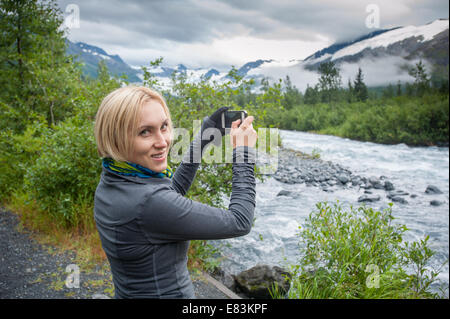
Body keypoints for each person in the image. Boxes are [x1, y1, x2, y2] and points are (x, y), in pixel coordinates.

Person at [93, 86, 257, 298]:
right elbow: (240, 221)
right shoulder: (148, 203)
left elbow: (171, 194)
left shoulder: (113, 177)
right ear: (116, 138)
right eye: (145, 131)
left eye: (164, 127)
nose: (163, 142)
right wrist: (244, 153)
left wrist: (206, 133)